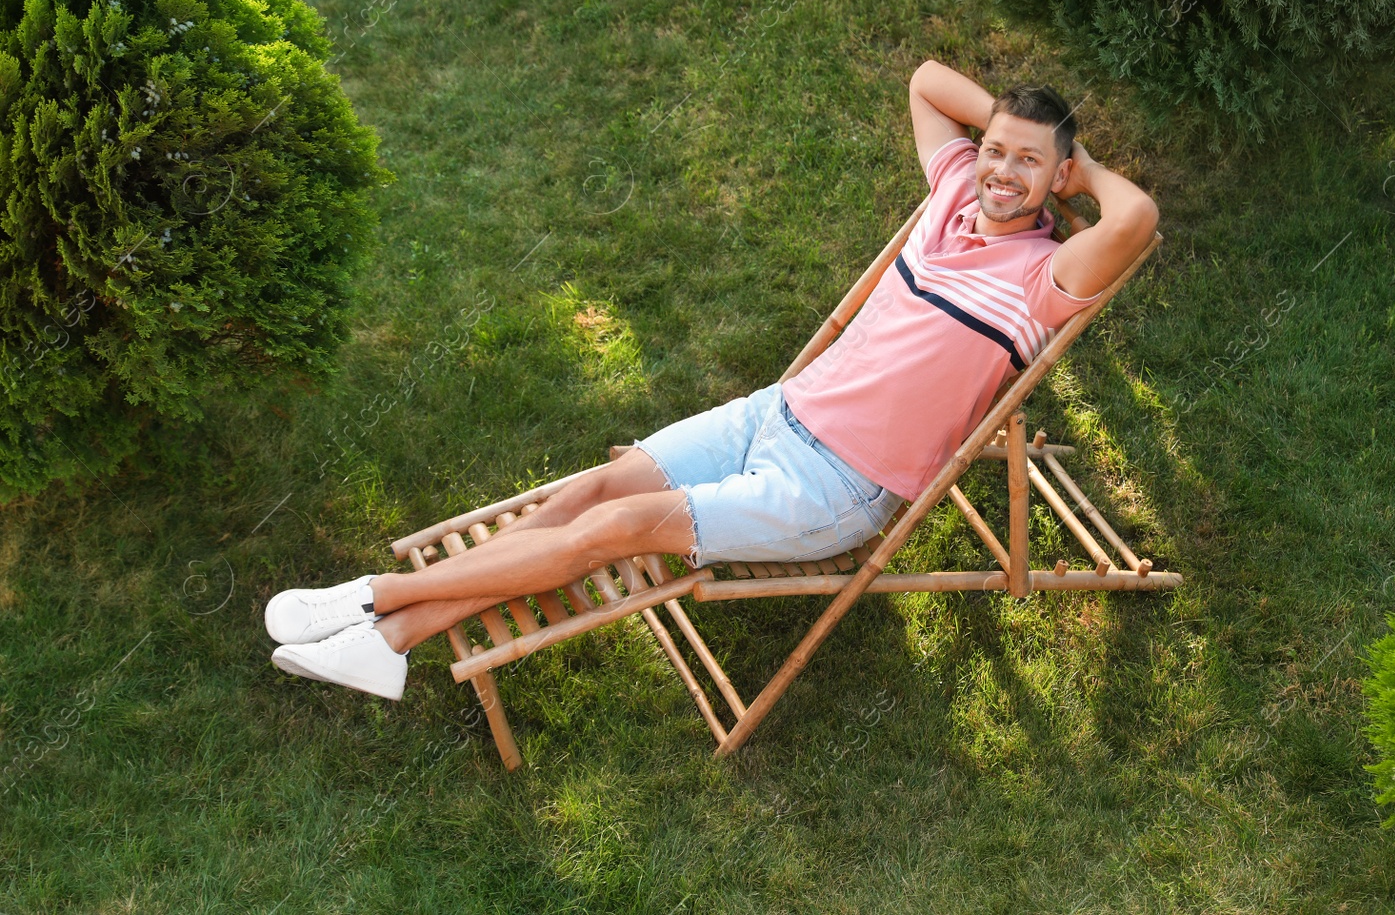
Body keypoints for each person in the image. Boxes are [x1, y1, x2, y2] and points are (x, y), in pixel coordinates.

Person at [265, 59, 1159, 700]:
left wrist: (1084, 169)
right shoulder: (954, 191)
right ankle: (389, 644)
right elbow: (928, 79)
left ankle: (372, 599)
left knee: (619, 526)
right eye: (996, 148)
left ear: (1059, 179)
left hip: (833, 486)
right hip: (776, 411)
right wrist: (1017, 131)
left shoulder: (1047, 278)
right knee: (602, 483)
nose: (1002, 171)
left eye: (1030, 162)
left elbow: (1139, 216)